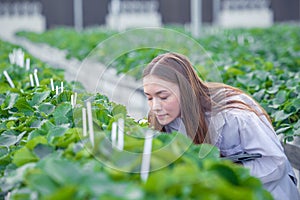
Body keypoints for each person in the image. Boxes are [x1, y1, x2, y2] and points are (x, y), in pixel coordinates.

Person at [142, 52, 300, 199]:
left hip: (268, 192)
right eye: (149, 97)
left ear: (186, 90)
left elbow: (274, 163)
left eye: (163, 96)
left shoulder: (234, 117)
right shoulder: (164, 118)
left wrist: (219, 174)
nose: (155, 106)